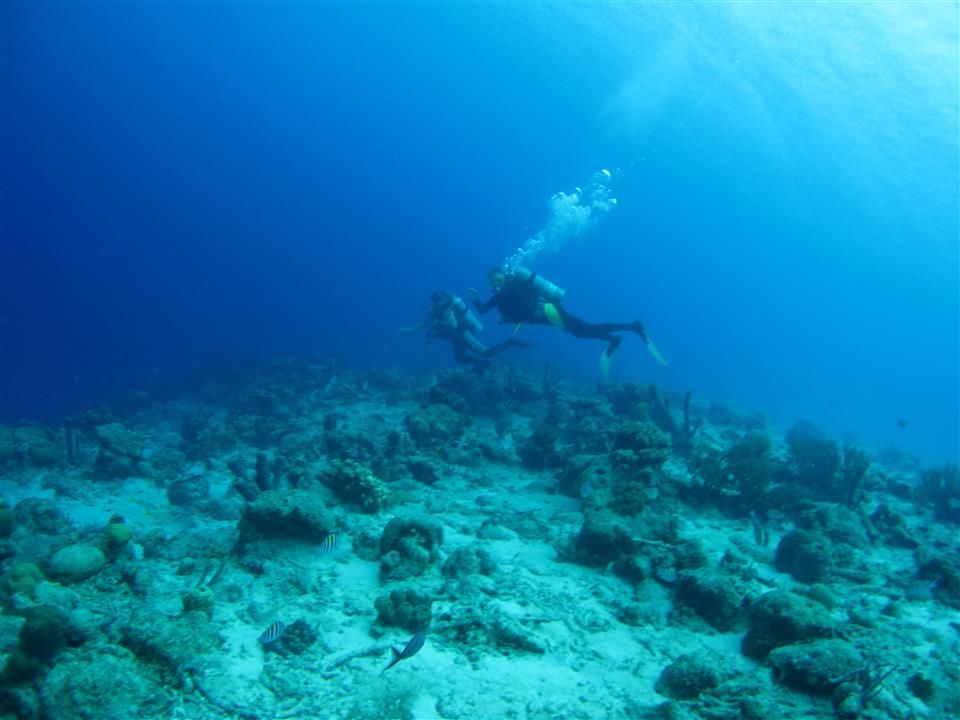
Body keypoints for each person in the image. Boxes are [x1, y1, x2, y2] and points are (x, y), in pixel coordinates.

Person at [470, 266, 666, 377]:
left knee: (584, 330)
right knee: (580, 332)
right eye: (493, 283)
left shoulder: (514, 287)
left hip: (548, 311)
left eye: (498, 280)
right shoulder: (499, 296)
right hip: (541, 318)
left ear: (504, 277)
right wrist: (475, 299)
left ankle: (632, 326)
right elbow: (483, 310)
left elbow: (528, 298)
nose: (496, 285)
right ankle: (613, 338)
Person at [400, 289, 531, 371]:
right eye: (436, 302)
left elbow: (453, 325)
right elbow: (424, 324)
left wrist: (444, 322)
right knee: (460, 359)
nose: (439, 304)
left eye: (440, 301)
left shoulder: (450, 307)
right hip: (455, 338)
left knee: (486, 353)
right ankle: (482, 364)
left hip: (461, 334)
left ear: (443, 299)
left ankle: (510, 342)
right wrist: (409, 330)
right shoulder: (434, 310)